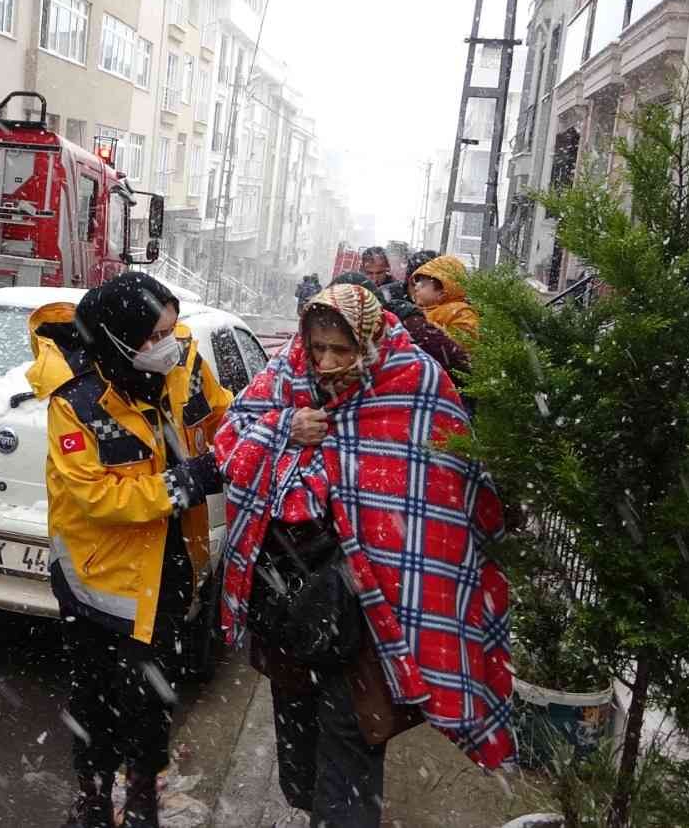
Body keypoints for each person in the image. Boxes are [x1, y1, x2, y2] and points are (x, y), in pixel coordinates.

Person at [213, 284, 515, 826]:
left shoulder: (414, 383)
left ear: (370, 342)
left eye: (342, 350)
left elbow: (447, 489)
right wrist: (285, 428)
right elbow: (229, 444)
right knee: (299, 735)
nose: (326, 363)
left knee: (352, 737)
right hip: (293, 600)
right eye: (318, 347)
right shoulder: (288, 375)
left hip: (373, 611)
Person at [26, 271, 233, 828]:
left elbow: (223, 418)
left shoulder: (184, 363)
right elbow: (95, 494)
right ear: (118, 338)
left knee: (153, 695)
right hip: (98, 577)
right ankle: (92, 799)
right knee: (94, 693)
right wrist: (184, 483)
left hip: (166, 563)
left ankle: (142, 798)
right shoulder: (76, 399)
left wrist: (254, 436)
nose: (166, 342)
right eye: (152, 336)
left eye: (170, 327)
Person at [327, 271, 469, 375]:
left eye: (424, 284)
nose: (417, 287)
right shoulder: (386, 324)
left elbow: (458, 361)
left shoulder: (412, 326)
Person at [410, 253, 481, 341]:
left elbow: (463, 343)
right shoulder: (417, 310)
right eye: (417, 283)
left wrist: (426, 328)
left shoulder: (460, 312)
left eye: (423, 285)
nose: (416, 287)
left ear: (442, 293)